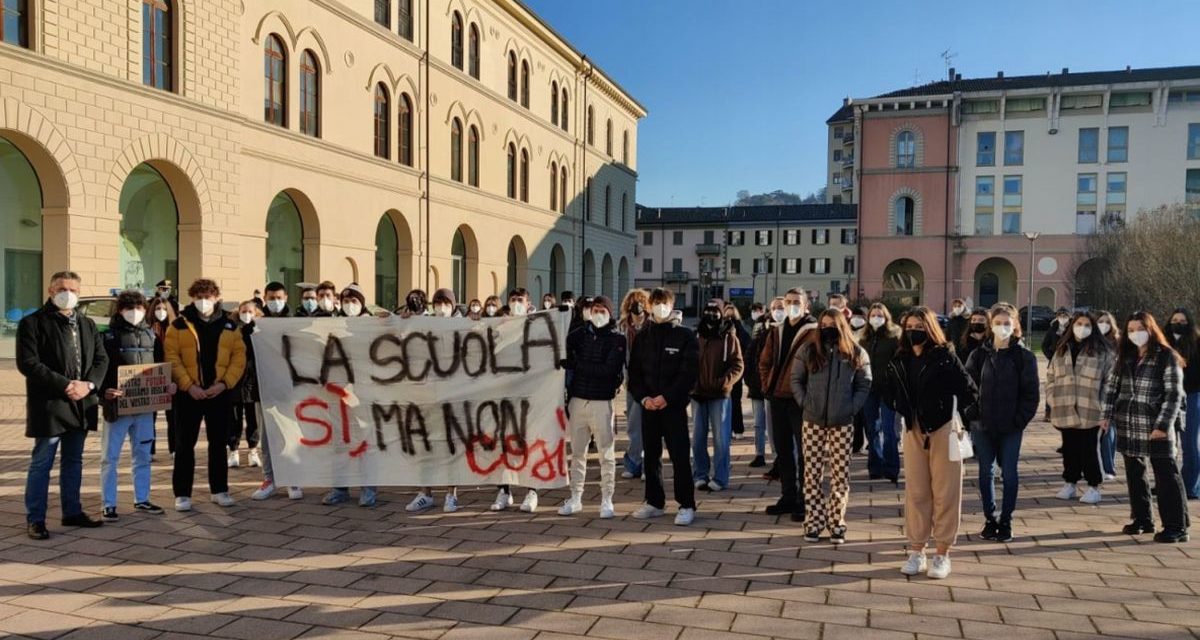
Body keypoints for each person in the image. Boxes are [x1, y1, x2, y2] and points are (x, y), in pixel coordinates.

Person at [883, 306, 978, 579]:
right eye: (909, 326)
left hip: (943, 429)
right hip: (913, 430)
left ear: (930, 328)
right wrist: (899, 406)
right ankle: (917, 550)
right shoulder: (900, 358)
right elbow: (888, 388)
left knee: (946, 493)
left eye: (919, 327)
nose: (914, 331)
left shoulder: (945, 356)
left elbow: (969, 390)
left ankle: (942, 553)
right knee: (916, 493)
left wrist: (961, 419)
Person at [17, 271, 109, 539]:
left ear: (79, 293)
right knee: (42, 462)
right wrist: (65, 385)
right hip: (51, 403)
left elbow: (101, 359)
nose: (67, 294)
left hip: (81, 403)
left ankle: (72, 511)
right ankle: (36, 518)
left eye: (73, 290)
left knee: (73, 461)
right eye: (61, 289)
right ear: (50, 290)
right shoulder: (33, 323)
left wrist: (88, 385)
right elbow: (29, 363)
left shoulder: (87, 324)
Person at [1103, 311, 1190, 543]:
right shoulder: (1125, 356)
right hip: (1129, 422)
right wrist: (1106, 415)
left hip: (1156, 424)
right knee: (1135, 473)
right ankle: (1142, 519)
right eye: (1131, 330)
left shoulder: (1166, 356)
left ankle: (1176, 526)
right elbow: (1112, 388)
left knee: (1166, 475)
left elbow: (1174, 395)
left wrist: (1163, 425)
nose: (1136, 334)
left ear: (1151, 330)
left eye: (1140, 329)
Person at [164, 278, 246, 512]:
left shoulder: (229, 325)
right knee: (184, 444)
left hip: (218, 393)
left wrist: (224, 384)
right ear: (192, 298)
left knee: (218, 443)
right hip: (188, 394)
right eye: (198, 297)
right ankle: (182, 493)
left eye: (207, 297)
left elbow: (239, 358)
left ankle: (219, 490)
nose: (203, 301)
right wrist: (188, 385)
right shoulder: (179, 325)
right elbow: (172, 357)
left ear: (216, 298)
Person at [791, 309, 871, 544]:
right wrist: (805, 403)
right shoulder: (808, 350)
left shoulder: (856, 352)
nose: (827, 328)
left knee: (840, 475)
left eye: (832, 324)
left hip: (842, 422)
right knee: (811, 474)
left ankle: (836, 522)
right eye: (823, 324)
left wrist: (851, 408)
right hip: (813, 420)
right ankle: (814, 522)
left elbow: (865, 383)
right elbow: (796, 379)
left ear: (842, 326)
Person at [963, 304, 1039, 543]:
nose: (1002, 327)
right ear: (990, 325)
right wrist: (972, 413)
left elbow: (1031, 395)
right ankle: (990, 518)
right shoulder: (979, 355)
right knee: (985, 472)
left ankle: (1006, 520)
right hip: (982, 425)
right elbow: (967, 387)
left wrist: (1019, 420)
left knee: (1010, 473)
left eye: (1007, 323)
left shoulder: (1024, 357)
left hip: (1011, 426)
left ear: (1015, 325)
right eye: (998, 323)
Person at [628, 288, 699, 525]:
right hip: (649, 408)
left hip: (673, 408)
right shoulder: (643, 336)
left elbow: (689, 373)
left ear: (672, 305)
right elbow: (634, 374)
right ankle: (654, 501)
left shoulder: (685, 335)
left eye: (664, 302)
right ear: (649, 306)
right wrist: (643, 398)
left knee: (679, 456)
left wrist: (667, 397)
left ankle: (686, 504)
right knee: (651, 456)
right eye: (656, 302)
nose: (660, 307)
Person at [559, 295, 626, 517]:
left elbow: (608, 371)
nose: (597, 314)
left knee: (606, 454)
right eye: (594, 309)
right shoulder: (580, 334)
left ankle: (607, 498)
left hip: (602, 402)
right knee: (578, 452)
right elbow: (561, 346)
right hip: (578, 399)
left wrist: (577, 364)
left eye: (602, 310)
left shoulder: (617, 339)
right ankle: (575, 496)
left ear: (609, 313)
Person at [757, 288, 819, 521]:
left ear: (806, 306)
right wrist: (767, 386)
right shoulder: (777, 330)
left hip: (800, 400)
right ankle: (788, 496)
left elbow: (817, 366)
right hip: (777, 398)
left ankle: (805, 501)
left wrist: (806, 395)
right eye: (788, 301)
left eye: (796, 302)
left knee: (805, 453)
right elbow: (764, 361)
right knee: (783, 451)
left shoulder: (813, 331)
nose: (792, 306)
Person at [1046, 311, 1113, 506]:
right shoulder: (1062, 349)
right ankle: (1070, 482)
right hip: (1065, 406)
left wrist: (1104, 408)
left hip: (1091, 409)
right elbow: (1051, 376)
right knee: (1069, 448)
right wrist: (1052, 397)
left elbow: (1109, 382)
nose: (1082, 328)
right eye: (1078, 324)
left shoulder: (1102, 352)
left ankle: (1094, 486)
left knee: (1089, 450)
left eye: (1087, 325)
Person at [322, 285, 379, 508]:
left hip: (364, 394)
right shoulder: (335, 326)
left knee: (366, 440)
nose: (349, 305)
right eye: (346, 301)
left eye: (354, 301)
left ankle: (368, 488)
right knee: (340, 441)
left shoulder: (372, 325)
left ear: (362, 303)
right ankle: (340, 487)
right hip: (339, 393)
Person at [407, 288, 462, 512]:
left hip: (453, 396)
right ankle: (425, 493)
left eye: (446, 303)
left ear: (453, 305)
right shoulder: (426, 324)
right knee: (425, 444)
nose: (441, 307)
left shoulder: (463, 325)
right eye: (438, 303)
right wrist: (399, 319)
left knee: (450, 445)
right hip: (428, 394)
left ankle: (451, 494)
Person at [491, 288, 541, 513]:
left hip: (530, 394)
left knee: (529, 444)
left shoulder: (538, 325)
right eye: (512, 300)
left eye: (520, 300)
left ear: (528, 303)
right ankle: (504, 491)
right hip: (504, 393)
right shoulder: (500, 325)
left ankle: (532, 491)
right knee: (503, 444)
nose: (516, 303)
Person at [691, 300, 744, 492]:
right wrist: (692, 383)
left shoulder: (729, 337)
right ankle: (700, 474)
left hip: (720, 395)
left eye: (715, 311)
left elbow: (738, 365)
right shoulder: (696, 335)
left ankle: (720, 477)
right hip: (698, 394)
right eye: (708, 310)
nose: (711, 314)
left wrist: (723, 382)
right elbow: (688, 361)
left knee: (721, 439)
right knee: (698, 438)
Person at [860, 303, 902, 483]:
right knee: (872, 429)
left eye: (880, 315)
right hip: (869, 388)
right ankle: (875, 466)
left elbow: (899, 361)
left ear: (886, 318)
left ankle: (891, 467)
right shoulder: (864, 338)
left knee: (889, 428)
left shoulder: (894, 337)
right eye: (873, 315)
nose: (876, 318)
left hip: (888, 389)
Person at [1165, 309, 1200, 500]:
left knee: (1190, 443)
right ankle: (1168, 482)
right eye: (1175, 320)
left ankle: (1190, 486)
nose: (1178, 323)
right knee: (1167, 443)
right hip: (1168, 396)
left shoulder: (1196, 342)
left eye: (1183, 321)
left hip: (1191, 396)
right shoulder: (1164, 343)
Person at [618, 288, 650, 479]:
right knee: (633, 424)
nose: (636, 308)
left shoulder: (652, 326)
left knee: (649, 425)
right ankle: (634, 462)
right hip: (632, 381)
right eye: (633, 304)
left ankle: (648, 464)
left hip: (650, 381)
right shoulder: (623, 327)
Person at [229, 300, 263, 470]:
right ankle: (233, 450)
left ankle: (253, 450)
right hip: (235, 381)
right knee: (234, 419)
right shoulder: (231, 330)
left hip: (253, 382)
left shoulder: (260, 330)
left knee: (253, 419)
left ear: (256, 313)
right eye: (244, 311)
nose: (247, 314)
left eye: (250, 311)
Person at [746, 299, 780, 469]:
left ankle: (777, 456)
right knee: (759, 423)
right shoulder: (759, 333)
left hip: (773, 386)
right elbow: (750, 355)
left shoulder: (781, 333)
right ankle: (759, 454)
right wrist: (749, 378)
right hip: (757, 384)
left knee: (773, 424)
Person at [147, 296, 176, 458]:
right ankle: (150, 450)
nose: (161, 312)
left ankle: (174, 448)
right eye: (158, 309)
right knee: (150, 417)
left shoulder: (175, 329)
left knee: (173, 417)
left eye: (164, 309)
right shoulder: (147, 329)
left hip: (172, 376)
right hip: (152, 376)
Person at [1095, 310, 1122, 480]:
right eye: (1100, 321)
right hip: (1092, 391)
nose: (1103, 325)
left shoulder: (1118, 343)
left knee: (1108, 430)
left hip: (1111, 392)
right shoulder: (1091, 342)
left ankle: (1108, 467)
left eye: (1106, 322)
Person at [724, 303, 751, 438]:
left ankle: (737, 429)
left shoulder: (741, 332)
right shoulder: (723, 329)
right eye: (727, 315)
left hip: (735, 371)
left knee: (734, 401)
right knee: (727, 402)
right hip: (726, 372)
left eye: (731, 315)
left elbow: (747, 349)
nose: (729, 318)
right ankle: (731, 429)